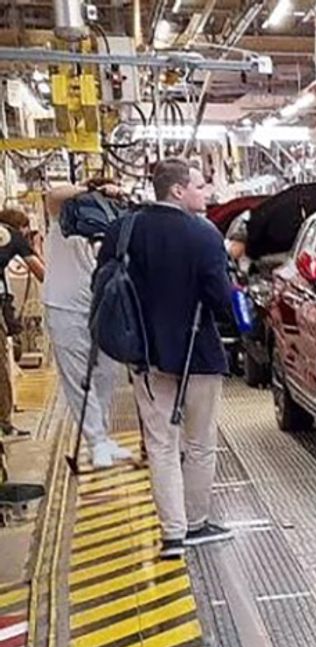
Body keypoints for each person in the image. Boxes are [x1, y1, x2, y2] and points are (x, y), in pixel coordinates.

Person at [95, 159, 236, 559]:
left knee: (160, 445)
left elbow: (103, 283)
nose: (205, 193)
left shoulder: (123, 229)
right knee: (200, 443)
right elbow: (221, 301)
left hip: (143, 354)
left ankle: (172, 534)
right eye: (199, 186)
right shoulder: (203, 235)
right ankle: (196, 523)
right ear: (177, 190)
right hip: (199, 355)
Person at [45, 180, 132, 467]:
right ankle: (95, 441)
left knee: (106, 373)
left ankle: (103, 436)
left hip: (102, 306)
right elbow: (53, 195)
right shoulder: (65, 216)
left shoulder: (114, 223)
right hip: (64, 305)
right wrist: (89, 188)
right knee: (76, 377)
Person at [0, 208, 46, 439]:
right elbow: (42, 273)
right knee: (1, 368)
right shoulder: (13, 237)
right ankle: (5, 424)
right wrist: (35, 247)